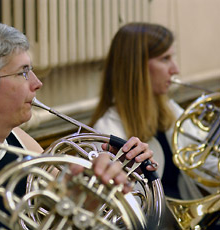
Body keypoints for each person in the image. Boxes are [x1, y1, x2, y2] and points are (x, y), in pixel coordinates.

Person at [0, 20, 157, 229]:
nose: (37, 83)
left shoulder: (20, 141)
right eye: (23, 73)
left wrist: (113, 172)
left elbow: (72, 212)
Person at [90, 22, 216, 200]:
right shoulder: (106, 129)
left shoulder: (170, 110)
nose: (175, 70)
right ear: (137, 68)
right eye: (165, 59)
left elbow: (204, 166)